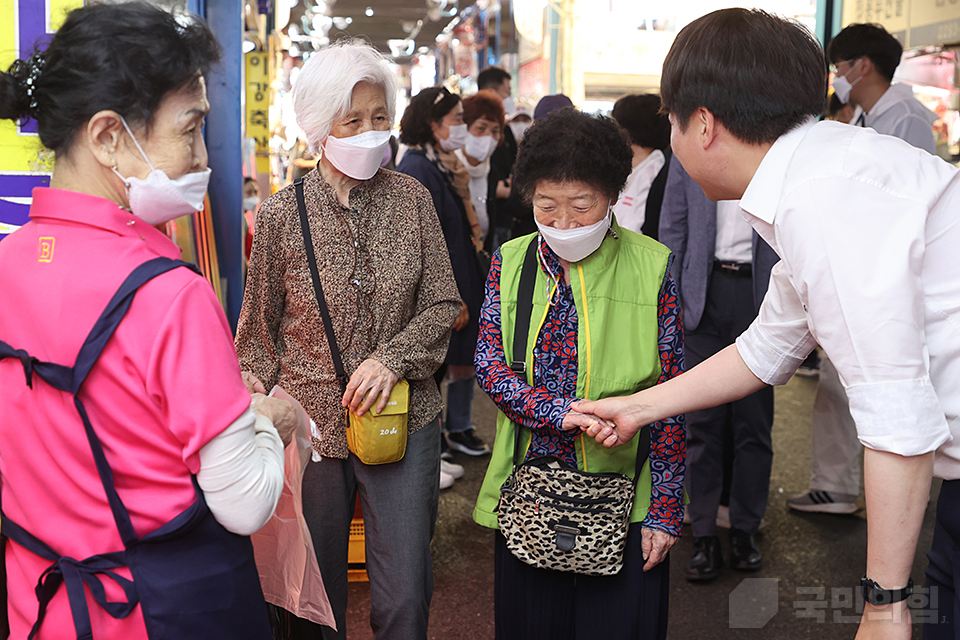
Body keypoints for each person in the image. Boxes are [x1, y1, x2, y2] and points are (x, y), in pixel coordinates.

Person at [576, 9, 960, 639]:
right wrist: (638, 408)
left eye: (671, 123)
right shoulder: (814, 177)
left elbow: (897, 415)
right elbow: (764, 347)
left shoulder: (823, 199)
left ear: (702, 125)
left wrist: (885, 605)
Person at [0, 3, 298, 638]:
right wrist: (273, 420)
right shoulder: (168, 295)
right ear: (108, 136)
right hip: (164, 612)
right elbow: (244, 502)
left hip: (40, 607)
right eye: (189, 129)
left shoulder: (5, 266)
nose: (200, 157)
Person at [235, 42, 462, 640]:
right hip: (311, 431)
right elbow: (255, 335)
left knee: (405, 596)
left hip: (403, 421)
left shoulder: (412, 199)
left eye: (380, 118)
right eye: (352, 120)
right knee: (311, 599)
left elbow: (444, 302)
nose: (370, 132)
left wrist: (393, 359)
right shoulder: (284, 215)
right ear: (318, 127)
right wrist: (250, 399)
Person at [473, 108, 685, 640]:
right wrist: (557, 413)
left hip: (625, 498)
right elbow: (490, 363)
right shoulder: (512, 260)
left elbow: (672, 395)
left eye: (581, 206)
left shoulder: (653, 265)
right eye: (547, 206)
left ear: (612, 195)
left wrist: (664, 511)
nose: (563, 223)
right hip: (530, 493)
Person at [787, 22, 939, 516]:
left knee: (876, 392)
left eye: (839, 67)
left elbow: (905, 207)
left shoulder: (907, 118)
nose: (837, 78)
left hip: (884, 279)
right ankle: (838, 487)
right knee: (840, 387)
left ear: (863, 65)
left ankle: (868, 496)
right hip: (858, 270)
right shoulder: (865, 118)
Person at [659, 158, 779, 581]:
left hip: (761, 296)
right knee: (701, 422)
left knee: (753, 423)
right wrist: (673, 297)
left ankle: (746, 528)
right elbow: (672, 225)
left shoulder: (774, 146)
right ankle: (704, 532)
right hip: (702, 295)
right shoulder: (691, 147)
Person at [396, 87, 490, 459]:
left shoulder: (437, 162)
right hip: (445, 288)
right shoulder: (417, 167)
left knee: (449, 366)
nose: (463, 128)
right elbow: (423, 242)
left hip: (458, 278)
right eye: (457, 120)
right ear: (433, 125)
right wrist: (448, 296)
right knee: (431, 371)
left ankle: (440, 446)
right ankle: (428, 452)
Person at [610, 94, 672, 239]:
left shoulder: (655, 170)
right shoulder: (631, 169)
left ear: (631, 132)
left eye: (617, 126)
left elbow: (634, 228)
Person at [453, 90, 505, 246]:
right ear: (464, 129)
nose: (488, 137)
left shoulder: (491, 172)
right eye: (481, 128)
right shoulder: (450, 169)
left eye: (495, 131)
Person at [479, 67, 520, 250]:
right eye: (507, 92)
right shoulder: (469, 128)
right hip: (485, 216)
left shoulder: (506, 129)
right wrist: (494, 188)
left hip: (503, 215)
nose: (509, 98)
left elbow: (513, 163)